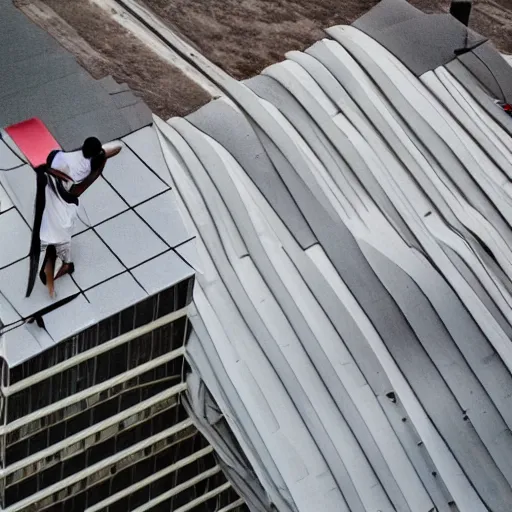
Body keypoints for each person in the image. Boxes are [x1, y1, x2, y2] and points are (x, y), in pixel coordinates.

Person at [33, 137, 122, 298]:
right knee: (61, 234)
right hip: (64, 199)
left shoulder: (64, 158)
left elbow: (52, 159)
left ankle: (63, 263)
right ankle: (64, 264)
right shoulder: (89, 168)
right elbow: (116, 149)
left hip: (55, 192)